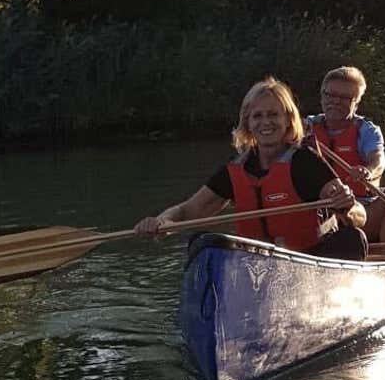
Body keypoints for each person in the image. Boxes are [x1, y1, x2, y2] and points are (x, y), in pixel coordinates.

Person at [134, 77, 368, 260]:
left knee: (353, 238)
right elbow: (187, 212)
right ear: (248, 124)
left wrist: (347, 206)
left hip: (310, 261)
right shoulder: (234, 170)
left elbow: (360, 216)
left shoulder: (305, 162)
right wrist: (161, 222)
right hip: (256, 267)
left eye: (273, 115)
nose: (266, 122)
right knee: (204, 242)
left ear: (288, 120)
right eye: (257, 116)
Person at [305, 66, 385, 244]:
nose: (335, 101)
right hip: (320, 208)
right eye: (330, 95)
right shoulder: (304, 127)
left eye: (344, 98)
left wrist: (368, 171)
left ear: (356, 102)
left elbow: (378, 160)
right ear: (322, 97)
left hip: (362, 211)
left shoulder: (366, 130)